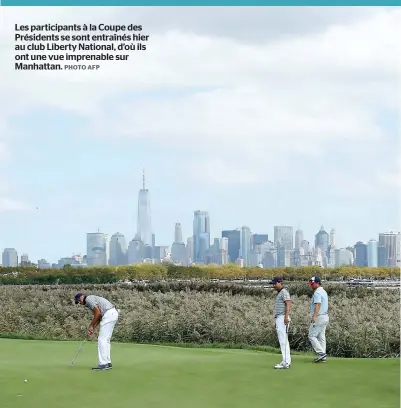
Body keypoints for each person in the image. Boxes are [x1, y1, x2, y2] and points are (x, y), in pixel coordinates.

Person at [75, 292, 119, 370]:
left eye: (78, 300)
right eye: (77, 302)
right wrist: (92, 328)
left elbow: (98, 313)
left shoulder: (88, 299)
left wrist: (90, 326)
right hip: (112, 313)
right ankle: (107, 363)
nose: (79, 303)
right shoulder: (91, 301)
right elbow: (98, 316)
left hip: (109, 314)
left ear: (82, 297)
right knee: (106, 340)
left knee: (102, 340)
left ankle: (103, 364)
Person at [270, 276, 292, 369]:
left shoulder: (284, 292)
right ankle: (285, 361)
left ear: (280, 282)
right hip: (280, 317)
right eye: (273, 284)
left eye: (275, 284)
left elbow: (288, 303)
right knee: (282, 340)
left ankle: (286, 362)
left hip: (283, 317)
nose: (274, 286)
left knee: (283, 340)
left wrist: (286, 317)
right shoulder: (280, 293)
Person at [307, 276, 329, 363]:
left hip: (319, 317)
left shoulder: (317, 293)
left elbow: (318, 304)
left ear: (317, 283)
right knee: (321, 337)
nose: (311, 286)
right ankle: (323, 357)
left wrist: (314, 316)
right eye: (310, 284)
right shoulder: (323, 291)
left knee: (311, 336)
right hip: (325, 317)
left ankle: (321, 354)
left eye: (312, 284)